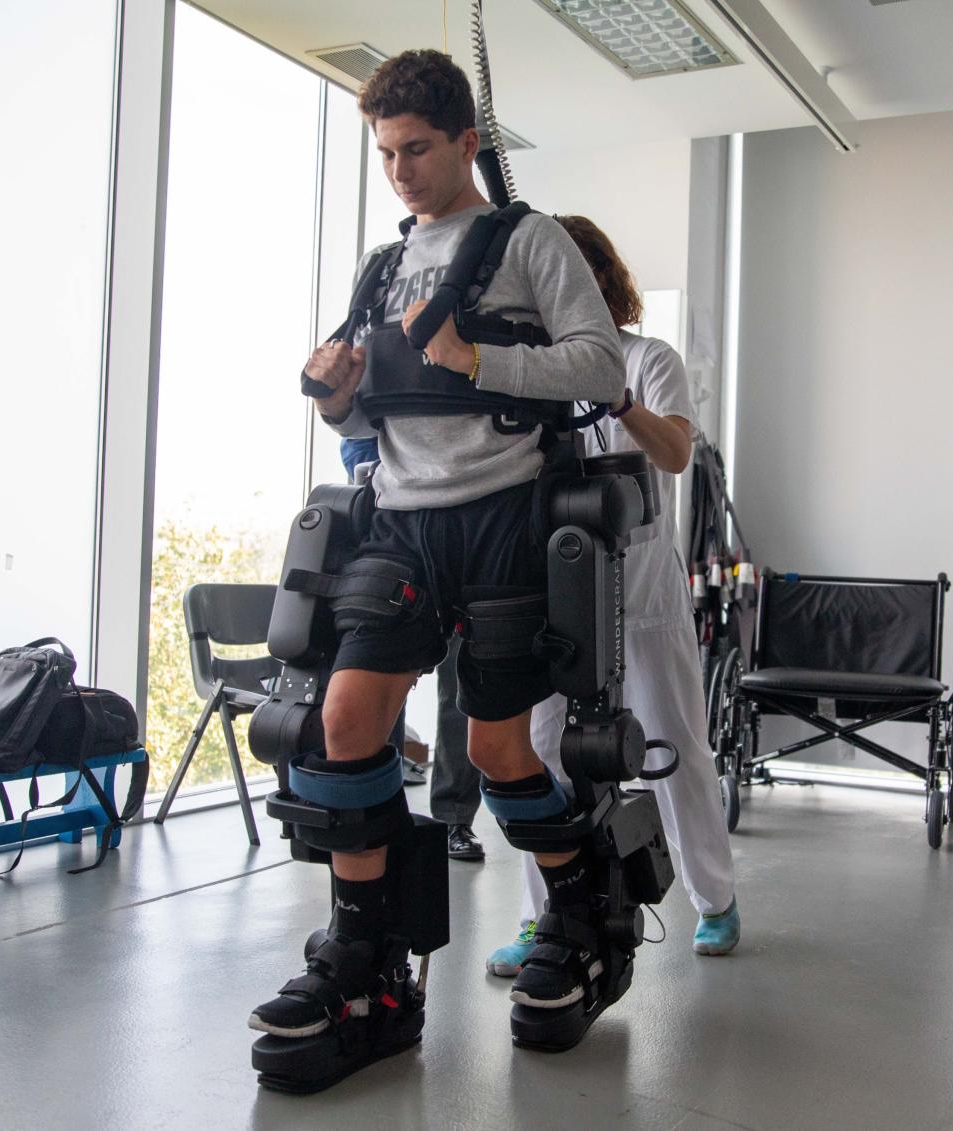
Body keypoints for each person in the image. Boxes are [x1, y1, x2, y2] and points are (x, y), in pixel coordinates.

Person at [247, 50, 624, 1047]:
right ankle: (364, 959)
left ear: (465, 142)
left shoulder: (528, 240)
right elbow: (361, 422)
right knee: (343, 716)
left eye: (417, 149)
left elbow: (600, 363)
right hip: (400, 518)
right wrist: (334, 394)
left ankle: (581, 911)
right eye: (384, 154)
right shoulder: (380, 267)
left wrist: (477, 356)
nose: (402, 170)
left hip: (504, 514)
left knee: (494, 747)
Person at [486, 215, 740, 977]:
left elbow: (674, 451)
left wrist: (621, 400)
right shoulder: (532, 372)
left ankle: (716, 898)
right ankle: (547, 914)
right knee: (539, 752)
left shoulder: (648, 359)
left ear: (598, 279)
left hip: (645, 593)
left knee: (676, 744)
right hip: (558, 596)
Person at [341, 434, 485, 859]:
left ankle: (454, 819)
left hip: (467, 525)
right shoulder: (384, 368)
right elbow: (355, 433)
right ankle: (382, 813)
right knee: (381, 681)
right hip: (392, 526)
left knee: (462, 685)